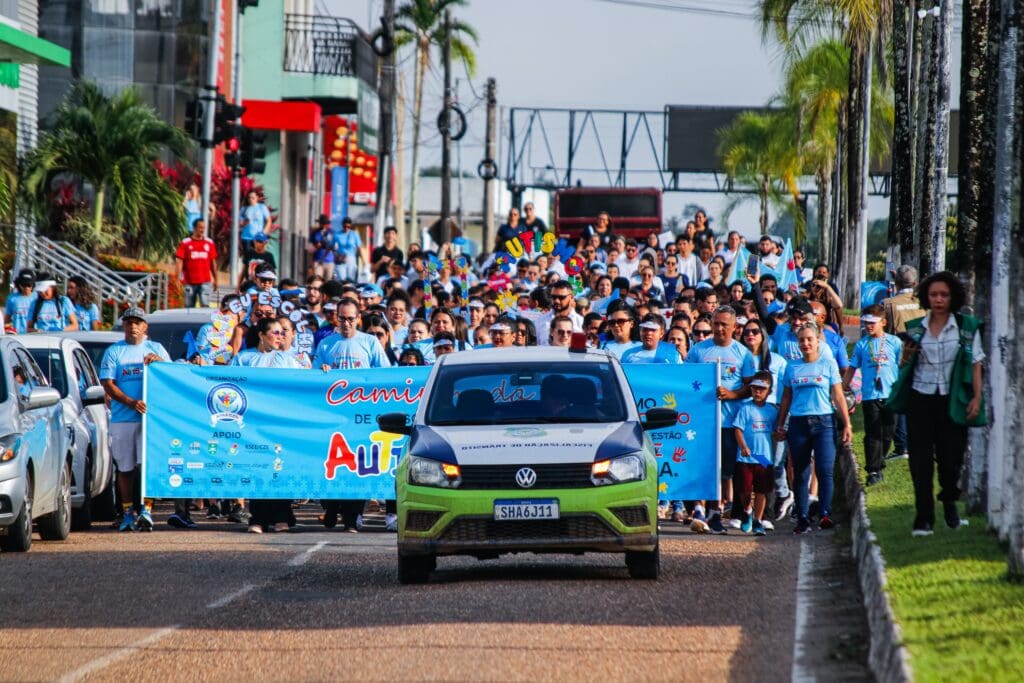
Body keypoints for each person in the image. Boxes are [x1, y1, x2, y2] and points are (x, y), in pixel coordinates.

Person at [896, 271, 983, 536]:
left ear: (953, 296)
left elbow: (976, 363)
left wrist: (977, 398)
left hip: (951, 400)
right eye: (933, 294)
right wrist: (908, 356)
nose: (938, 299)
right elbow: (904, 366)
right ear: (925, 297)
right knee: (920, 461)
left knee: (951, 460)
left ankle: (950, 505)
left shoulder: (966, 327)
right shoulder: (916, 328)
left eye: (944, 294)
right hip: (920, 400)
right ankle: (924, 518)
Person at [774, 322, 852, 534]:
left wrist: (847, 424)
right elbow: (787, 397)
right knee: (800, 473)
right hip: (798, 422)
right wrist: (780, 424)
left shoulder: (828, 364)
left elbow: (837, 395)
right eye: (802, 340)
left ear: (818, 341)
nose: (806, 343)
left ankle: (825, 513)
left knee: (825, 470)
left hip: (824, 422)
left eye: (810, 339)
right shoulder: (792, 367)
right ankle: (803, 517)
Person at [685, 306, 756, 534]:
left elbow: (751, 387)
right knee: (700, 466)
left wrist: (732, 394)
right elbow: (684, 381)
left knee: (722, 471)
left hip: (729, 422)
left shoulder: (743, 354)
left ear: (735, 327)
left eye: (724, 324)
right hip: (703, 421)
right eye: (716, 323)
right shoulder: (698, 351)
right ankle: (698, 510)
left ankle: (716, 512)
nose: (719, 328)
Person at [99, 308, 171, 532]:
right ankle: (128, 512)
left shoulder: (155, 348)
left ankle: (147, 510)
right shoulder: (114, 352)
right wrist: (131, 402)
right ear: (124, 325)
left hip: (150, 419)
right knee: (126, 468)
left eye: (137, 322)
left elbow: (170, 375)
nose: (133, 326)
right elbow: (107, 383)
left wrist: (158, 362)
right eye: (129, 322)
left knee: (147, 466)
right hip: (123, 418)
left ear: (145, 326)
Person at [844, 304, 902, 486]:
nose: (868, 326)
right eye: (865, 322)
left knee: (888, 432)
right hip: (870, 396)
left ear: (883, 322)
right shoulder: (862, 344)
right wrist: (843, 389)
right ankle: (873, 470)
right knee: (873, 433)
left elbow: (903, 366)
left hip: (891, 395)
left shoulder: (895, 342)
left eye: (872, 323)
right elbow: (852, 368)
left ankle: (879, 461)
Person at [741, 317, 790, 524]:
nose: (750, 335)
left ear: (763, 335)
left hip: (774, 416)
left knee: (775, 463)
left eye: (755, 331)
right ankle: (751, 513)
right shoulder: (740, 359)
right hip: (748, 417)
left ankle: (781, 496)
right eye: (746, 332)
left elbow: (787, 391)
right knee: (755, 465)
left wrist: (781, 420)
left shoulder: (778, 361)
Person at [882, 264, 925, 460]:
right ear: (915, 282)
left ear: (896, 282)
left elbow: (886, 331)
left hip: (899, 356)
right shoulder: (924, 301)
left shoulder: (889, 303)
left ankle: (902, 446)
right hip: (923, 355)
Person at [733, 371, 779, 536]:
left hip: (764, 457)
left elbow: (776, 431)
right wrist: (743, 446)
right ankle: (747, 509)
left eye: (762, 389)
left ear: (769, 391)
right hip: (745, 455)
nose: (758, 392)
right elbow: (738, 429)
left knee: (762, 490)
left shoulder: (772, 411)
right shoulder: (746, 408)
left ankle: (758, 520)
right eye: (755, 388)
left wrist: (779, 435)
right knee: (744, 489)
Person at [314, 299, 391, 370]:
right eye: (342, 318)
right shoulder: (325, 343)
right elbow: (314, 372)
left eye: (350, 319)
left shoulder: (371, 341)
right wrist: (321, 369)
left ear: (358, 318)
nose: (346, 323)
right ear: (337, 317)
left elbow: (385, 371)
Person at [175, 218, 219, 309]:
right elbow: (179, 262)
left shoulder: (209, 243)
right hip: (189, 281)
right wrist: (177, 278)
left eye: (203, 228)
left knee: (205, 305)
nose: (202, 230)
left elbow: (213, 263)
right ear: (194, 228)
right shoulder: (185, 243)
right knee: (189, 307)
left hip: (205, 281)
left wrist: (216, 279)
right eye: (200, 227)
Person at [535, 280, 583, 344]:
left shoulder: (581, 322)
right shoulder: (540, 321)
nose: (556, 301)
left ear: (571, 297)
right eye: (553, 297)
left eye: (561, 297)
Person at [240, 190, 273, 260]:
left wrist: (263, 234)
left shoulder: (262, 207)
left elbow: (269, 221)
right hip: (246, 237)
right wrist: (245, 222)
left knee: (258, 258)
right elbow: (240, 223)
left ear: (257, 198)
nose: (251, 199)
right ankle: (247, 270)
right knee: (247, 259)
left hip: (258, 238)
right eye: (249, 198)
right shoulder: (244, 209)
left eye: (253, 198)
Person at [6, 269, 37, 334]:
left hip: (33, 335)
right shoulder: (12, 298)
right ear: (19, 284)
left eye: (29, 285)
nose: (26, 287)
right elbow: (7, 318)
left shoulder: (37, 298)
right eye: (23, 285)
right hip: (17, 335)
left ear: (33, 285)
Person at [334, 217, 363, 282]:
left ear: (350, 226)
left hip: (351, 257)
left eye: (348, 227)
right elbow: (331, 246)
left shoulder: (354, 234)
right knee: (341, 278)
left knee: (351, 279)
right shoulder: (337, 234)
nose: (346, 228)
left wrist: (362, 260)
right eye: (345, 226)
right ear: (342, 225)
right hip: (341, 258)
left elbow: (359, 247)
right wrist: (336, 255)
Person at [309, 214, 336, 280]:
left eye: (325, 223)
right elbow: (311, 248)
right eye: (322, 223)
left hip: (329, 260)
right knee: (317, 279)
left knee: (328, 281)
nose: (323, 225)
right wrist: (310, 264)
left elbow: (333, 246)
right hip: (317, 260)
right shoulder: (315, 233)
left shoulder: (331, 233)